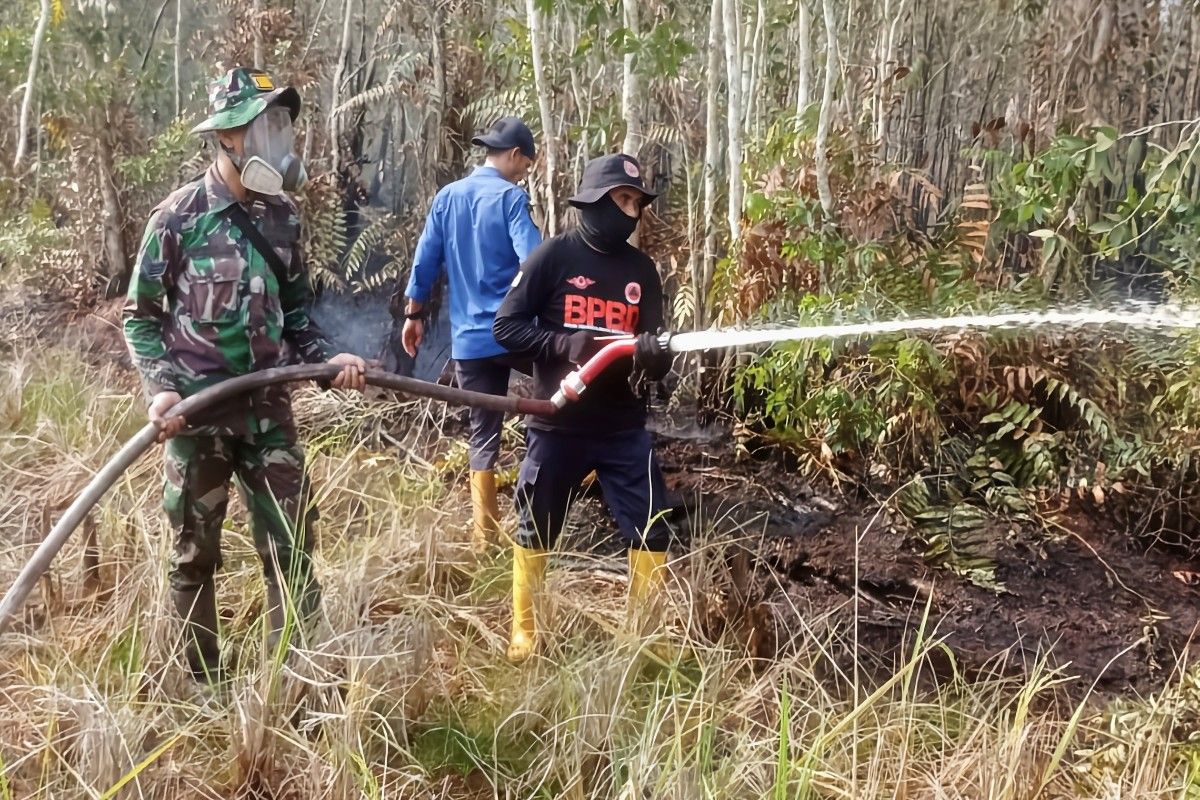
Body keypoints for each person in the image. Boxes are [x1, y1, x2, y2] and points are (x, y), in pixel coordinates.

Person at [122, 67, 367, 685]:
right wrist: (164, 390)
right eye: (264, 125)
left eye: (282, 124)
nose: (276, 138)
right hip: (197, 418)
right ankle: (206, 685)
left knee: (291, 549)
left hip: (267, 416)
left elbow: (299, 316)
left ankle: (294, 680)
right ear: (228, 138)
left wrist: (329, 360)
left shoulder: (284, 219)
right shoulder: (177, 218)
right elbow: (140, 318)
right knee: (193, 556)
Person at [492, 153, 674, 663]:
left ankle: (643, 639)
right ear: (594, 201)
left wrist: (657, 358)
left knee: (652, 524)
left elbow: (654, 353)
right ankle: (525, 630)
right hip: (558, 423)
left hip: (622, 427)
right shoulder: (553, 258)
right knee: (536, 522)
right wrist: (561, 344)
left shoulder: (642, 271)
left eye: (637, 203)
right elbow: (505, 329)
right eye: (622, 199)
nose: (631, 211)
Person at [392, 116, 542, 550]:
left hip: (470, 341)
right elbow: (532, 262)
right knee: (560, 391)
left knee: (483, 432)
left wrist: (414, 314)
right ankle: (549, 493)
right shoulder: (513, 199)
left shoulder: (447, 197)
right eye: (526, 164)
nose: (524, 173)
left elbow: (425, 261)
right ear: (514, 155)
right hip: (516, 334)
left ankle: (484, 538)